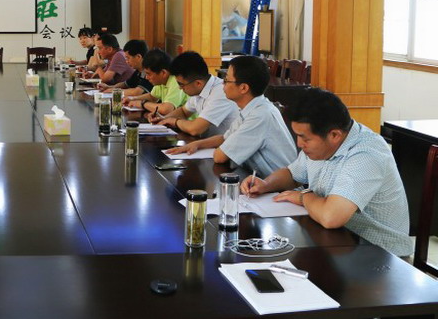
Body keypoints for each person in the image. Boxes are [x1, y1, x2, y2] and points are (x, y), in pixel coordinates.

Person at [240, 87, 412, 257]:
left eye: (305, 138)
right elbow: (293, 174)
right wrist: (266, 184)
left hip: (379, 254)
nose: (299, 144)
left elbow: (331, 217)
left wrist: (303, 197)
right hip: (338, 242)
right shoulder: (320, 146)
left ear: (334, 135)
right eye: (297, 136)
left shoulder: (366, 155)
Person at [165, 55, 296, 177]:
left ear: (243, 88)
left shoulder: (260, 115)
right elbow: (224, 138)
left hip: (278, 187)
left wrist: (216, 149)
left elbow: (220, 156)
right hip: (260, 180)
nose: (222, 84)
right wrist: (197, 144)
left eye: (227, 80)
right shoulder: (251, 107)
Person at [153, 51, 239, 137]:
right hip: (207, 142)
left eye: (181, 84)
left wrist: (174, 121)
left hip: (223, 144)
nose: (180, 88)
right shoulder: (200, 88)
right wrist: (163, 119)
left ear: (198, 83)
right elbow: (183, 111)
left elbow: (195, 129)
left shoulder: (221, 93)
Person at [125, 48, 187, 114]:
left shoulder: (176, 81)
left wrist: (143, 104)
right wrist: (132, 99)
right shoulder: (161, 81)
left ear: (163, 73)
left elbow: (166, 109)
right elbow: (152, 97)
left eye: (149, 74)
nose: (146, 77)